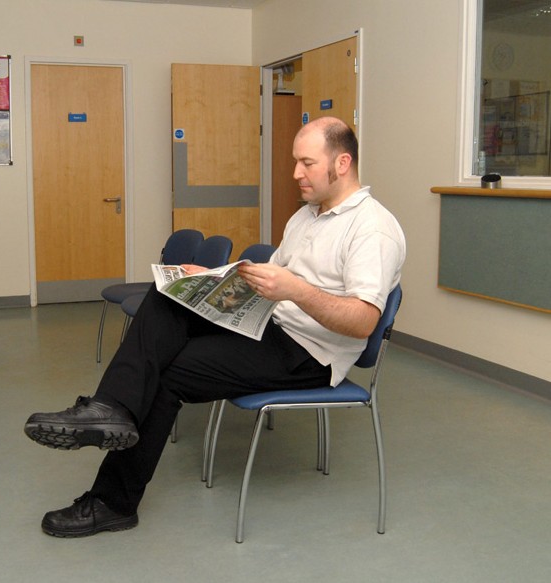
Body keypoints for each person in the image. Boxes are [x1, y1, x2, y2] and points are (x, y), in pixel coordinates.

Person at [24, 116, 406, 538]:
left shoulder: (373, 229)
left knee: (167, 373)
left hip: (310, 354)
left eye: (307, 163)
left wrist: (296, 290)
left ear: (342, 162)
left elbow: (363, 322)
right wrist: (210, 276)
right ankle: (109, 408)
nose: (296, 173)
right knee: (167, 294)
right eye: (295, 162)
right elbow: (268, 276)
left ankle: (113, 502)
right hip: (271, 324)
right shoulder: (306, 217)